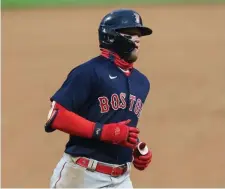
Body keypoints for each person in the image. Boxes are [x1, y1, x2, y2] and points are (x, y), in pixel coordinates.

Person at [45, 8, 153, 188]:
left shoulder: (142, 82)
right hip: (81, 176)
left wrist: (135, 148)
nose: (137, 40)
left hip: (122, 178)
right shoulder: (88, 72)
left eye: (139, 35)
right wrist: (104, 132)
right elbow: (56, 115)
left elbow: (117, 124)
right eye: (130, 34)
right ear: (110, 37)